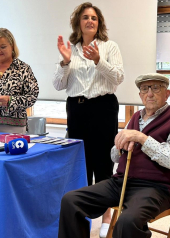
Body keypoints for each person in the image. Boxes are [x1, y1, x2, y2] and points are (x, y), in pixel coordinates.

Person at [58, 73, 170, 238]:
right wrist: (119, 147)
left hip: (155, 188)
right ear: (140, 95)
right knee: (71, 201)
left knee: (127, 221)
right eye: (145, 89)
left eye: (156, 88)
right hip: (120, 182)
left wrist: (141, 138)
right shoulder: (135, 117)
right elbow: (114, 157)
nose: (149, 93)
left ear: (167, 94)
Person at [52, 2, 124, 235]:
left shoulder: (109, 46)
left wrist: (98, 61)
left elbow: (118, 78)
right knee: (81, 164)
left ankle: (106, 218)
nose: (90, 21)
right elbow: (58, 84)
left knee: (104, 163)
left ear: (99, 23)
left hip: (103, 108)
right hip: (77, 109)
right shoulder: (69, 49)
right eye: (85, 17)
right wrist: (64, 62)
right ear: (78, 23)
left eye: (94, 17)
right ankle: (80, 217)